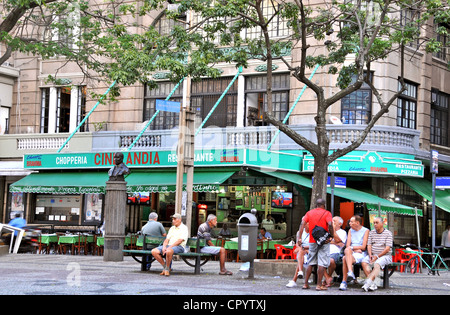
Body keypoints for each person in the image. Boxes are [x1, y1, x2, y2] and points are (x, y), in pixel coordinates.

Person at [298, 198, 334, 291]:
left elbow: (302, 223)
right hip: (323, 241)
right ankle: (319, 285)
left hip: (312, 241)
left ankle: (305, 284)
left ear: (316, 205)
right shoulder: (327, 213)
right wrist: (331, 236)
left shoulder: (309, 213)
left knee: (310, 261)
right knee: (321, 263)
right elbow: (330, 224)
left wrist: (299, 238)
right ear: (324, 205)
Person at [360, 217, 393, 291]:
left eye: (377, 223)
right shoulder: (372, 232)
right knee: (364, 262)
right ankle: (373, 284)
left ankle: (368, 283)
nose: (375, 224)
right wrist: (370, 255)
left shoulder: (388, 233)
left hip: (385, 256)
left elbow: (387, 248)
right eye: (374, 223)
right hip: (373, 254)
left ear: (382, 224)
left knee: (377, 263)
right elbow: (369, 245)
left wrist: (377, 256)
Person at [339, 215, 369, 291]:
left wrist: (352, 248)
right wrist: (354, 249)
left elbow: (363, 247)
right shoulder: (350, 230)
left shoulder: (366, 231)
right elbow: (347, 245)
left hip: (361, 254)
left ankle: (344, 281)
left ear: (357, 223)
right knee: (346, 254)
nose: (349, 223)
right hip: (352, 252)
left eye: (352, 222)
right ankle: (350, 272)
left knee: (344, 258)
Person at [323, 216, 347, 287]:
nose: (331, 222)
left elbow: (339, 242)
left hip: (335, 253)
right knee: (319, 260)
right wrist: (335, 242)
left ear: (339, 224)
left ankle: (328, 277)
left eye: (334, 221)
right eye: (331, 221)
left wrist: (332, 230)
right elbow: (324, 241)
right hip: (324, 251)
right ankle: (327, 278)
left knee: (331, 261)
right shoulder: (326, 231)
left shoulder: (343, 232)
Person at [286, 222, 310, 288]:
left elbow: (313, 245)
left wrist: (303, 249)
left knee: (300, 254)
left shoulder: (313, 232)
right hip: (302, 252)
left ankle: (297, 276)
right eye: (308, 223)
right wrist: (299, 248)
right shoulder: (299, 232)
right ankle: (299, 274)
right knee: (301, 252)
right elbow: (297, 244)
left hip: (310, 251)